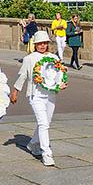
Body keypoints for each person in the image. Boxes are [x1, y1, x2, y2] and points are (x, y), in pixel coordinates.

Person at [11, 30, 65, 166]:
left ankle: (33, 143)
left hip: (50, 94)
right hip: (36, 95)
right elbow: (23, 75)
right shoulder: (29, 58)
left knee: (46, 122)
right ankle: (47, 153)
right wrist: (15, 91)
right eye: (39, 43)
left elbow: (58, 74)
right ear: (35, 45)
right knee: (43, 123)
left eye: (44, 43)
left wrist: (61, 83)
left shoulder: (54, 57)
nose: (42, 46)